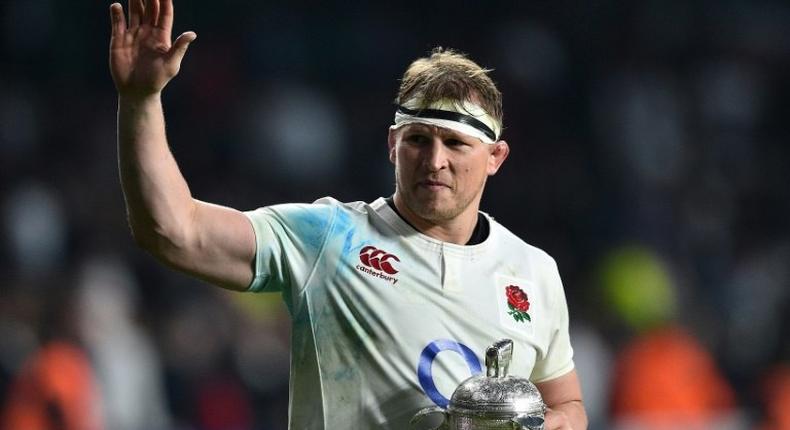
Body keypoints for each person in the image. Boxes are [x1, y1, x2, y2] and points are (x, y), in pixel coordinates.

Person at [108, 0, 587, 428]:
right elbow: (173, 231)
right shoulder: (329, 238)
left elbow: (568, 404)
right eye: (418, 139)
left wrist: (549, 424)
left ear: (495, 157)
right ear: (393, 145)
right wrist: (141, 101)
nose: (435, 160)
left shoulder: (532, 272)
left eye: (456, 143)